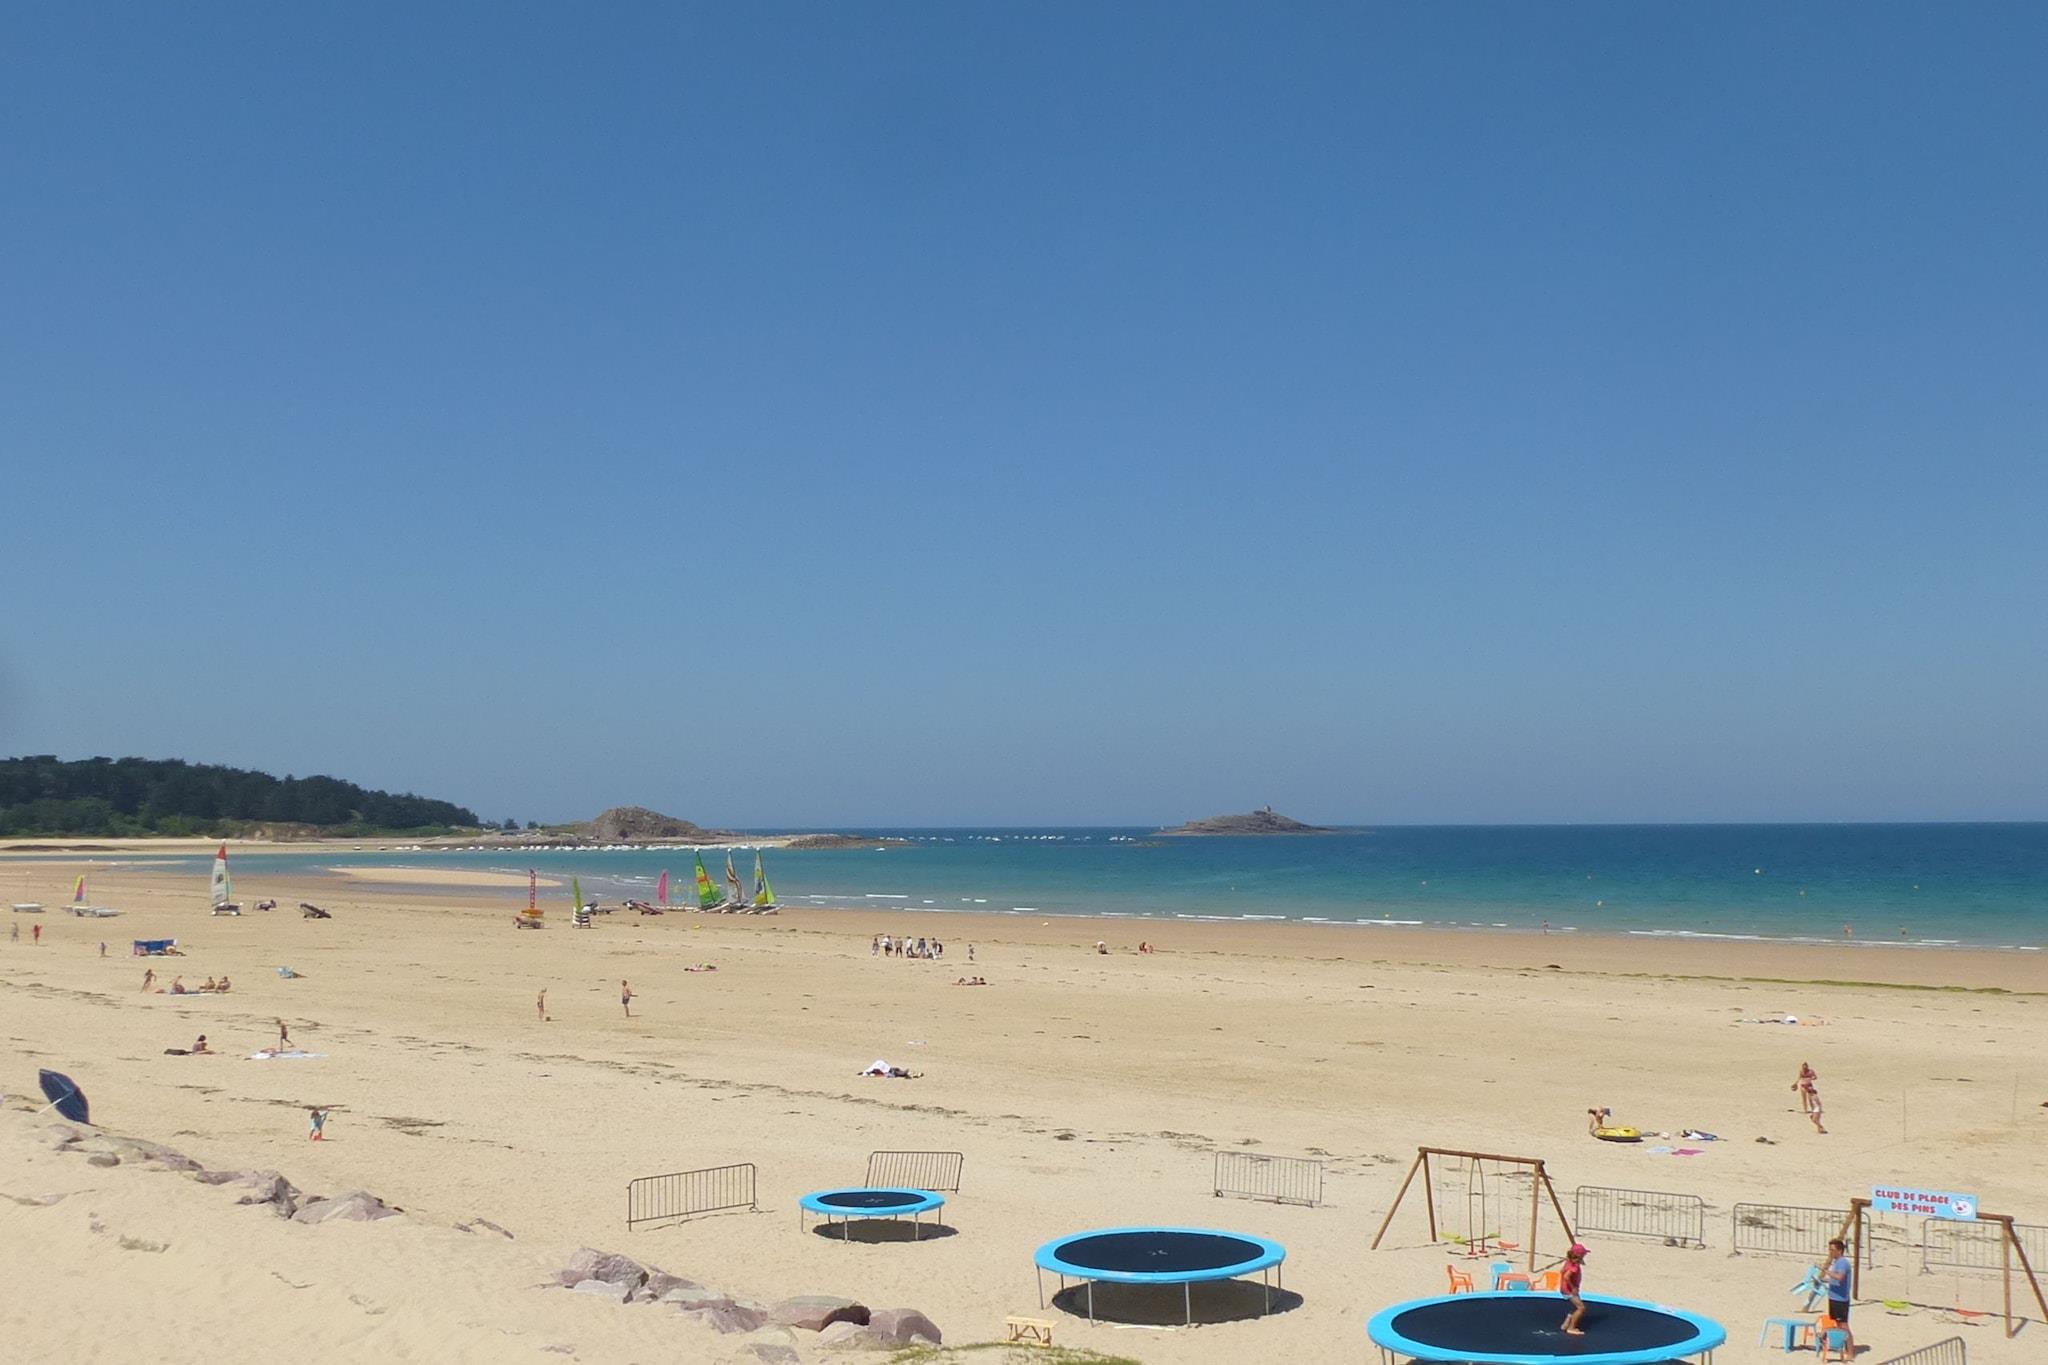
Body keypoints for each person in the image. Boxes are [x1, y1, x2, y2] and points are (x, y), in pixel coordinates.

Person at [1560, 1242, 1589, 1334]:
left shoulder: (1569, 1261)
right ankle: (1571, 1328)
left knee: (1575, 1306)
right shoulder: (1574, 1266)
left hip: (1565, 1288)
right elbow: (1566, 1277)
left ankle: (1566, 1323)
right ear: (1579, 1255)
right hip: (1569, 1290)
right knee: (1581, 1308)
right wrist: (1573, 1288)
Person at [1823, 1237, 1852, 1326]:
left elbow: (1839, 1277)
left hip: (1840, 1299)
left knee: (1843, 1325)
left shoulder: (1843, 1262)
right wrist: (1825, 1280)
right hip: (1834, 1297)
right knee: (1836, 1324)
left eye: (1832, 1250)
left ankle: (1848, 1337)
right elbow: (1836, 1279)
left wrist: (1826, 1271)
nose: (1830, 1252)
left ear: (1839, 1251)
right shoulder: (1837, 1262)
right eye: (1829, 1250)